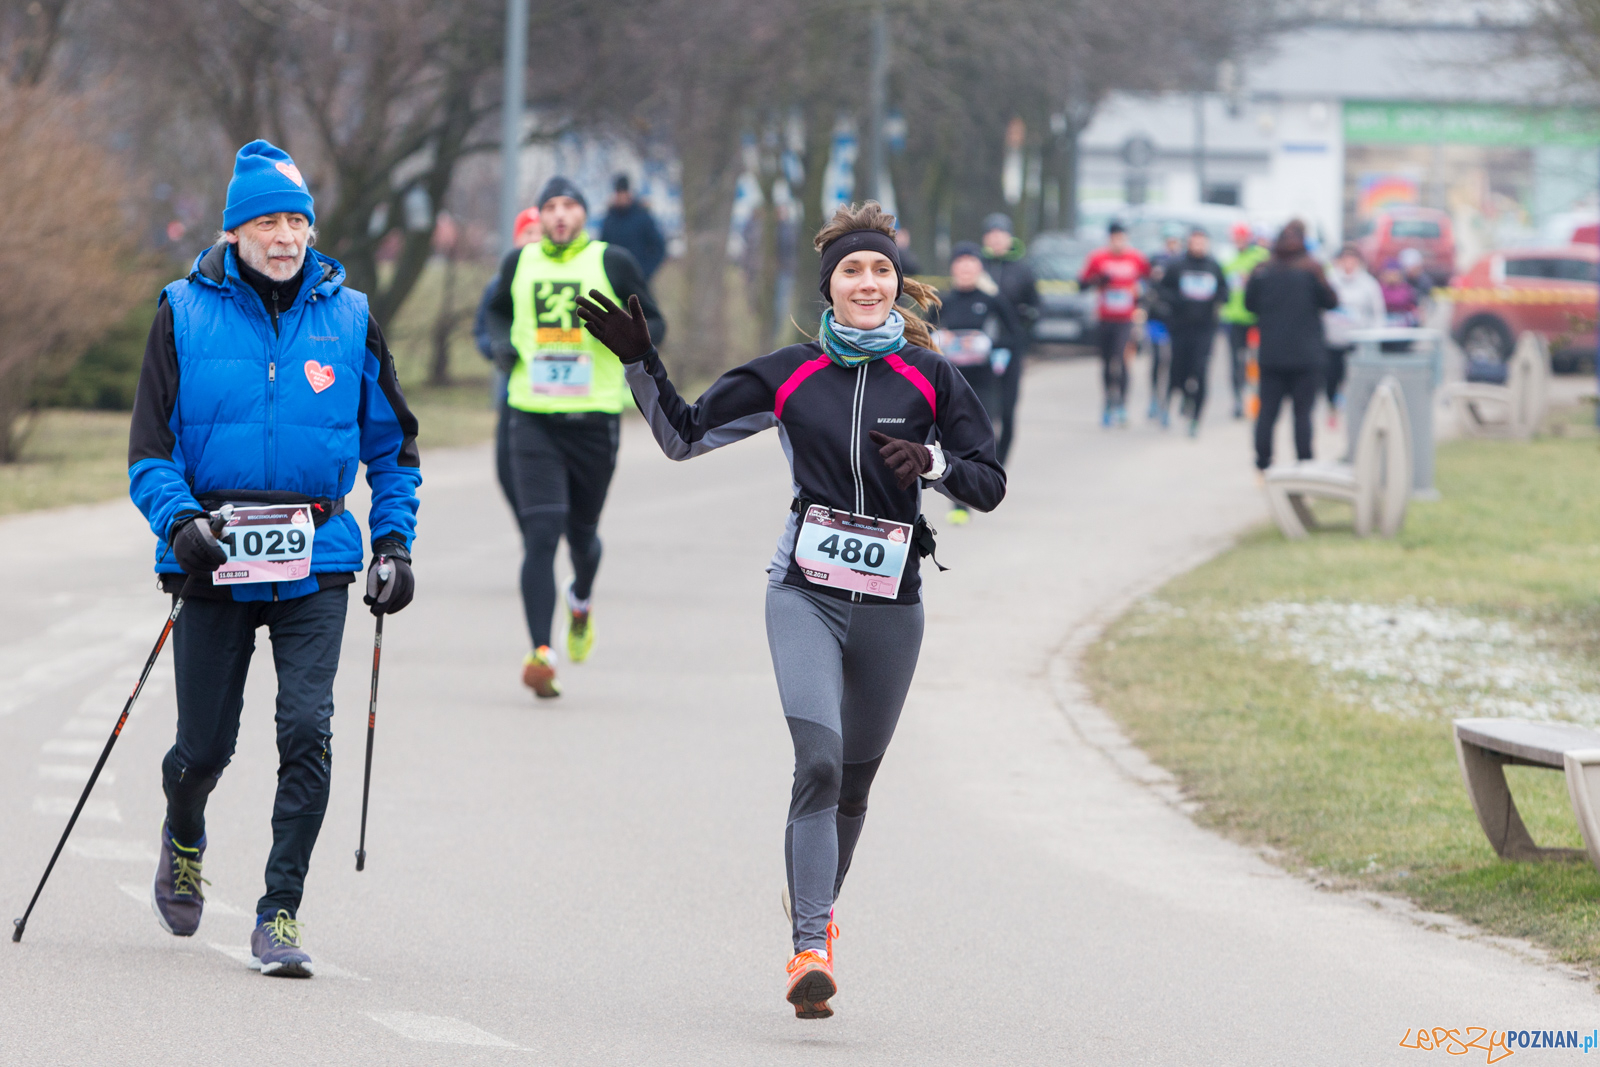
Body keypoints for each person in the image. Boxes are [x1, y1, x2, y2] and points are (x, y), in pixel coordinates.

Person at [574, 201, 1005, 1021]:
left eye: (881, 269)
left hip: (892, 605)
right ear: (829, 287)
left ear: (897, 283)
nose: (868, 282)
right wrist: (641, 362)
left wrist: (937, 461)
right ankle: (810, 947)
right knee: (818, 761)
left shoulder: (932, 377)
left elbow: (989, 482)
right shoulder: (789, 372)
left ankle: (818, 913)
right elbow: (682, 436)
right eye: (852, 270)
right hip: (803, 592)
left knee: (854, 784)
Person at [127, 139, 421, 977]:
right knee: (203, 748)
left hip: (317, 560)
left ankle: (278, 910)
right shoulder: (181, 311)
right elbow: (149, 452)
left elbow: (393, 451)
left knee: (306, 729)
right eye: (268, 220)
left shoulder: (352, 315)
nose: (286, 235)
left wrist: (394, 541)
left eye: (297, 218)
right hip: (212, 556)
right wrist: (179, 520)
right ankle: (184, 831)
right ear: (234, 232)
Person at [485, 177, 665, 697]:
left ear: (584, 214)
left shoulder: (613, 262)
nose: (560, 216)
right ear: (538, 217)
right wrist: (503, 350)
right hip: (531, 415)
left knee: (582, 537)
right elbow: (496, 311)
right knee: (540, 534)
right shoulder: (520, 263)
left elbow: (655, 319)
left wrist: (632, 343)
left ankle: (580, 601)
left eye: (569, 207)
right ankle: (541, 652)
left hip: (594, 418)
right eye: (550, 207)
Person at [929, 241, 1025, 524]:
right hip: (951, 381)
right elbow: (920, 333)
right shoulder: (942, 301)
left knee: (984, 435)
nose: (966, 269)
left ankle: (986, 479)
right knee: (953, 439)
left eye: (971, 264)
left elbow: (1015, 336)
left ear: (979, 268)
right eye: (960, 264)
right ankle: (959, 503)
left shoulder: (992, 300)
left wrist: (986, 343)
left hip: (984, 380)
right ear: (953, 269)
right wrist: (939, 341)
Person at [1244, 219, 1338, 473]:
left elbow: (1249, 305)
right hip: (1306, 355)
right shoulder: (1312, 270)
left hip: (1272, 354)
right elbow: (1331, 301)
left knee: (1267, 414)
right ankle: (1304, 464)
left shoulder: (1262, 271)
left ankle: (1263, 464)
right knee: (1302, 415)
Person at [474, 206, 542, 512]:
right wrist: (498, 350)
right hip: (513, 392)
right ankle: (533, 530)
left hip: (562, 400)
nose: (534, 241)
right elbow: (482, 331)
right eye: (528, 233)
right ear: (517, 239)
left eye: (541, 234)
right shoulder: (500, 283)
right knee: (507, 472)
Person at [1155, 227, 1229, 436]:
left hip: (1205, 329)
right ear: (1189, 243)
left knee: (1201, 370)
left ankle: (1196, 418)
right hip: (1180, 328)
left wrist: (1217, 298)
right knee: (1178, 370)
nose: (1198, 246)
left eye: (1202, 242)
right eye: (1194, 242)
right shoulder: (1177, 264)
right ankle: (1174, 401)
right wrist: (1178, 300)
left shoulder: (1213, 266)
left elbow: (1225, 291)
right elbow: (1162, 289)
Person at [979, 212, 1038, 462]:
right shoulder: (976, 267)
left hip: (1011, 349)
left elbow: (1037, 306)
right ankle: (984, 459)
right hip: (980, 351)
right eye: (991, 234)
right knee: (983, 409)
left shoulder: (1022, 270)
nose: (996, 240)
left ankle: (1001, 461)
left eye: (1001, 234)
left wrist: (1026, 322)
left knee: (1007, 409)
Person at [1078, 221, 1149, 427]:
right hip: (1104, 318)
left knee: (1122, 359)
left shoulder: (1136, 258)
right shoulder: (1097, 258)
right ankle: (1108, 401)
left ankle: (1122, 405)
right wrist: (1098, 280)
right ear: (1109, 239)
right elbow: (1081, 284)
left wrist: (1141, 297)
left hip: (1126, 319)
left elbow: (1151, 280)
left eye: (1121, 238)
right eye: (1114, 238)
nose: (1118, 242)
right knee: (1108, 363)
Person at [1323, 244, 1384, 425]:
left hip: (1358, 340)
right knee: (1332, 377)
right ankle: (1332, 408)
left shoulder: (1368, 284)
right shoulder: (1330, 281)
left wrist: (1374, 336)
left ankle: (1355, 410)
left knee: (1355, 377)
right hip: (1333, 339)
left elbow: (1377, 312)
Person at [1219, 221, 1270, 419]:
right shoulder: (1228, 260)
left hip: (1256, 318)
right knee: (1235, 362)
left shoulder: (1261, 257)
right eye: (1236, 238)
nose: (1239, 241)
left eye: (1242, 237)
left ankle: (1257, 399)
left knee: (1257, 360)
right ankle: (1238, 400)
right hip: (1234, 318)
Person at [1144, 228, 1184, 425]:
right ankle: (1154, 398)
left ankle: (1167, 404)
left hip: (1177, 322)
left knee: (1173, 363)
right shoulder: (1156, 260)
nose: (1172, 245)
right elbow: (1146, 287)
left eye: (1176, 241)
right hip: (1156, 319)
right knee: (1158, 359)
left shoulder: (1185, 264)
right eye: (1170, 241)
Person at [599, 173, 667, 281]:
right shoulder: (609, 219)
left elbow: (659, 247)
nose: (621, 197)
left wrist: (646, 272)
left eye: (624, 193)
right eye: (619, 193)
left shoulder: (642, 217)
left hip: (638, 278)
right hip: (614, 279)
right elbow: (602, 247)